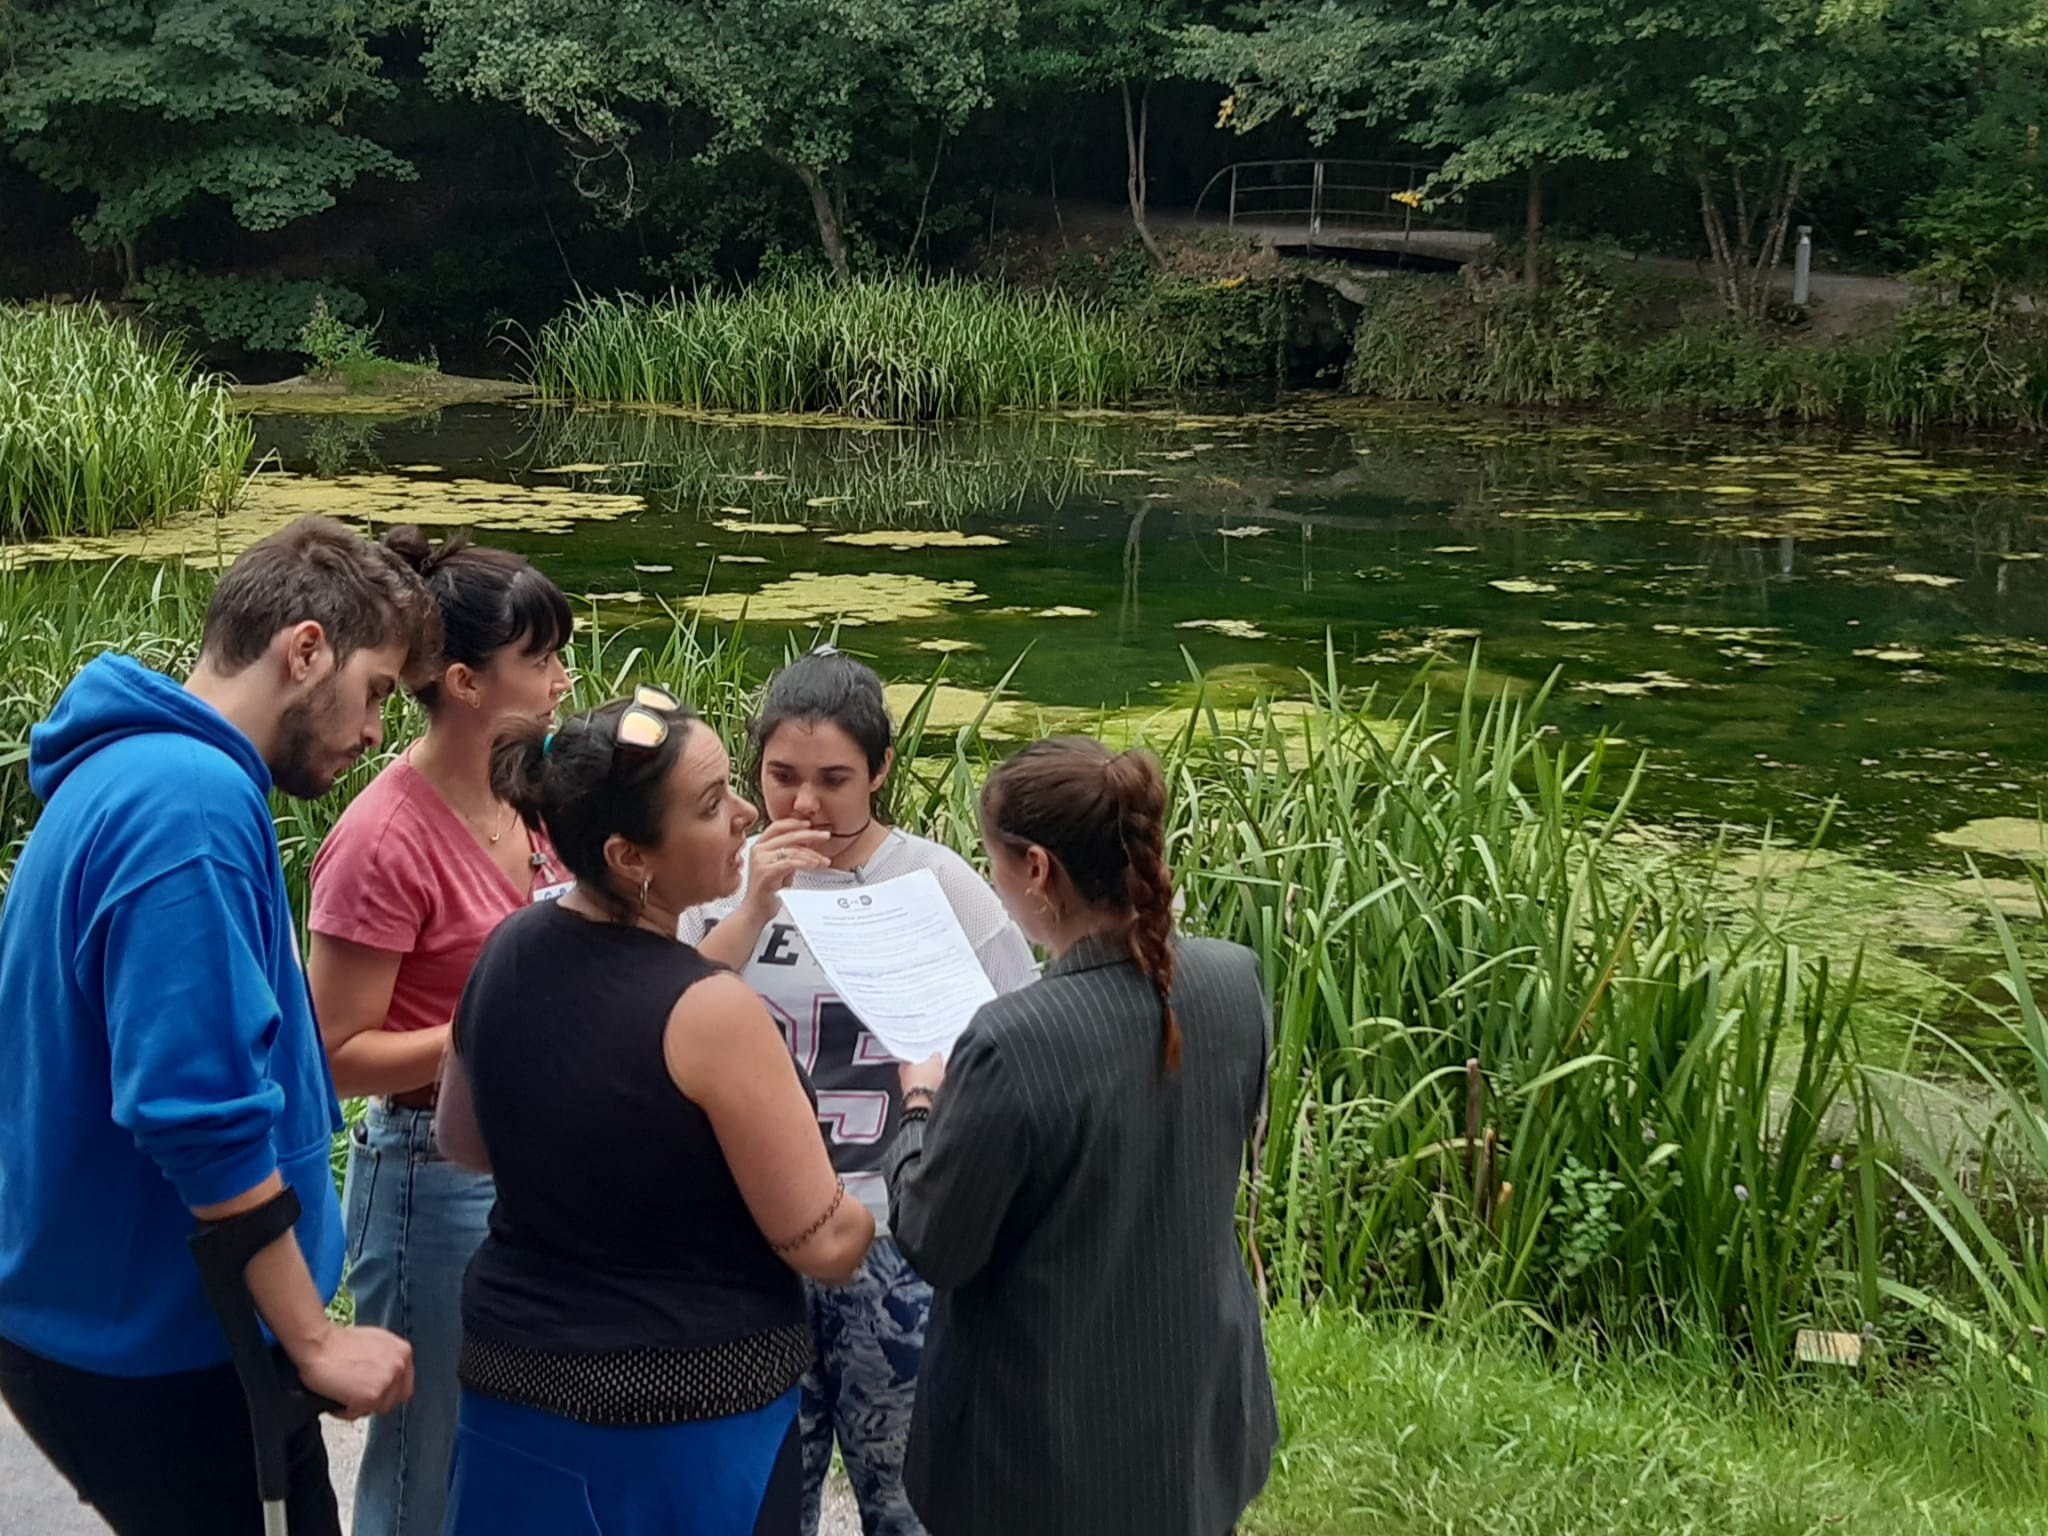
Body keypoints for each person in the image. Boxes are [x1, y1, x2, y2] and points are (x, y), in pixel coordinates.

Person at [0, 516, 440, 1536]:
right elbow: (194, 1108)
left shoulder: (136, 772)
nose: (378, 730)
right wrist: (313, 1339)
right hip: (161, 1339)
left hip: (127, 1318)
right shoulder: (184, 805)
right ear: (304, 649)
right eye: (377, 690)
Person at [434, 687, 875, 1535]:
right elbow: (823, 1243)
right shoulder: (714, 1012)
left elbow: (464, 1141)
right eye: (713, 805)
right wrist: (911, 1162)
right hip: (689, 1421)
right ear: (630, 856)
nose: (749, 812)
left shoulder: (507, 948)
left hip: (515, 1392)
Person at [680, 647, 1037, 1536]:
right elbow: (649, 1011)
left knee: (910, 1497)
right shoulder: (716, 880)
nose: (805, 805)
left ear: (880, 772)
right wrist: (751, 905)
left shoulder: (938, 882)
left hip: (894, 1233)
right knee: (758, 1497)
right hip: (745, 1238)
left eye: (835, 779)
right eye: (782, 777)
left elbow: (1026, 1037)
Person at [885, 736, 1279, 1536]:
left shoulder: (1010, 1040)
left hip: (1043, 1444)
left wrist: (920, 1109)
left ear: (1036, 869)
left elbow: (937, 1243)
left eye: (993, 862)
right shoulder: (1235, 979)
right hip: (1197, 1401)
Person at [307, 528, 573, 1536]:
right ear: (462, 681)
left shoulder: (533, 796)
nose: (561, 681)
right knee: (427, 1468)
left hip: (535, 1160)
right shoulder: (383, 839)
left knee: (517, 1442)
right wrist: (481, 1024)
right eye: (538, 660)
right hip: (429, 1176)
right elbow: (331, 1058)